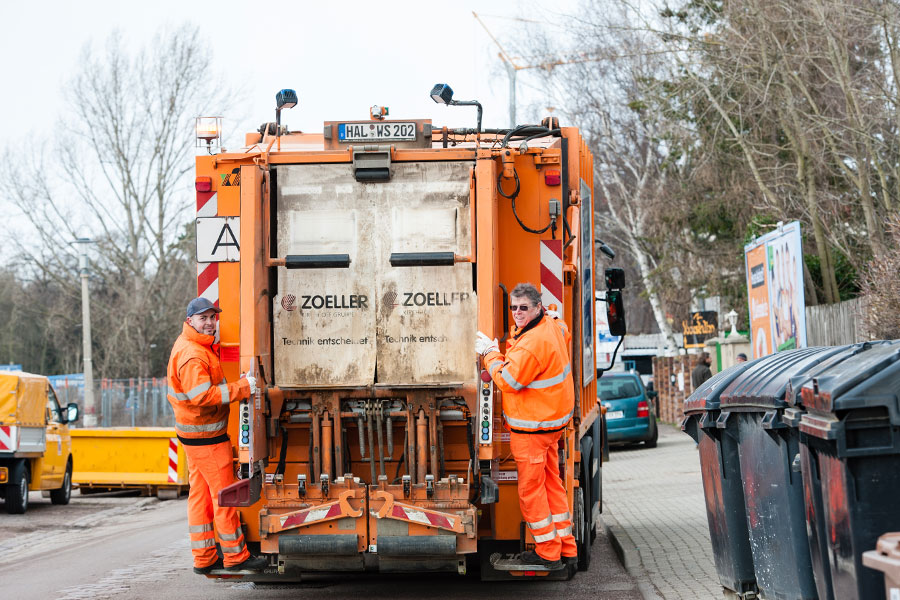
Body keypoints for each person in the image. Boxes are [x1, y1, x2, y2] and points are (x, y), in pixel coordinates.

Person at [475, 283, 576, 570]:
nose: (517, 313)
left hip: (532, 430)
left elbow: (508, 380)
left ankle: (547, 552)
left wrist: (490, 354)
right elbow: (564, 330)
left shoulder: (533, 344)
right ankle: (567, 548)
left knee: (531, 491)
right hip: (550, 426)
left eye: (524, 308)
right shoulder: (552, 325)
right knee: (552, 486)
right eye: (514, 307)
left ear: (536, 308)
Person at [167, 297, 267, 574]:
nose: (210, 323)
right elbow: (203, 397)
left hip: (195, 437)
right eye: (203, 318)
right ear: (190, 321)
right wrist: (243, 388)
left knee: (199, 497)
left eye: (213, 317)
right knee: (224, 497)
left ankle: (205, 557)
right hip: (207, 440)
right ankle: (236, 557)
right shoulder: (193, 355)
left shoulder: (193, 346)